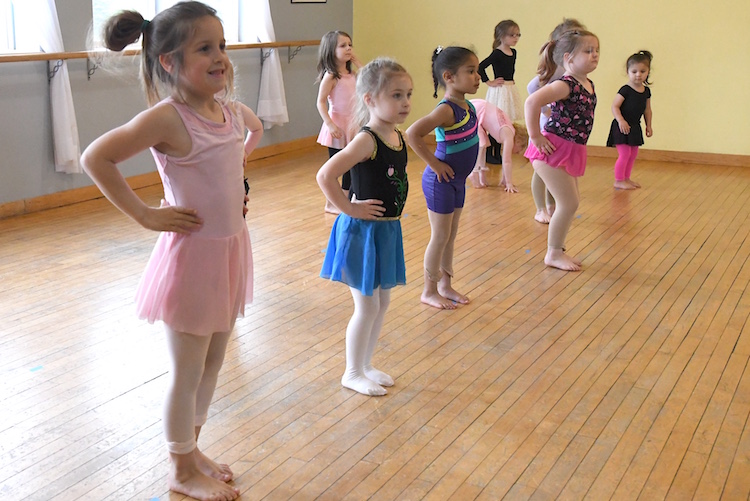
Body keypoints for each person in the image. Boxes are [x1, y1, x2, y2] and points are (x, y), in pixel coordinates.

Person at [81, 3, 263, 500]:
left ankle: (191, 449)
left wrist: (235, 189)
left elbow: (244, 140)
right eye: (205, 48)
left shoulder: (225, 110)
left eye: (222, 46)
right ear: (168, 61)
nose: (220, 57)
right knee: (187, 370)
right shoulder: (166, 117)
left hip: (229, 253)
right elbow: (96, 157)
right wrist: (145, 214)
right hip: (192, 260)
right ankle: (179, 470)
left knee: (212, 364)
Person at [317, 58, 412, 396]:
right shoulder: (366, 140)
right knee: (367, 305)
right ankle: (352, 371)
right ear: (370, 99)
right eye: (396, 95)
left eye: (408, 95)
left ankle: (366, 364)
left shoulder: (396, 135)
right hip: (361, 233)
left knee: (382, 303)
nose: (405, 103)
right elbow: (325, 175)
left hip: (386, 230)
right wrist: (349, 208)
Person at [406, 46, 481, 309]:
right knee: (440, 236)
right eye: (470, 71)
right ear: (449, 76)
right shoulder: (446, 110)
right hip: (440, 182)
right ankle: (428, 290)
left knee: (450, 235)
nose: (477, 76)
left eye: (478, 70)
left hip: (457, 181)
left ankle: (445, 285)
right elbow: (412, 134)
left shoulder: (467, 105)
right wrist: (435, 164)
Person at [524, 29, 599, 272]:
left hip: (570, 148)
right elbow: (532, 101)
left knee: (570, 203)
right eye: (588, 51)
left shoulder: (586, 83)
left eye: (597, 50)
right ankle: (553, 253)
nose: (595, 55)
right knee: (568, 203)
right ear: (568, 58)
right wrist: (535, 135)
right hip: (553, 150)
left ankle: (558, 249)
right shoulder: (565, 85)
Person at [526, 18, 586, 223]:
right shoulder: (557, 70)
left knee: (558, 168)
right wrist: (544, 111)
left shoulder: (575, 73)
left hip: (563, 130)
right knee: (542, 169)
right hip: (546, 128)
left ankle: (553, 205)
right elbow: (532, 89)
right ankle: (540, 208)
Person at [316, 30, 360, 214]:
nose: (348, 48)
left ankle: (347, 200)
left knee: (352, 165)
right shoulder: (331, 76)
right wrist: (330, 124)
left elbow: (371, 80)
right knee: (337, 167)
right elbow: (320, 102)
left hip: (353, 125)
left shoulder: (352, 74)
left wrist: (357, 61)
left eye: (350, 45)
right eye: (343, 46)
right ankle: (331, 203)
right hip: (338, 126)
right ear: (331, 51)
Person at [607, 50, 654, 190]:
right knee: (625, 153)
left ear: (648, 72)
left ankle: (626, 178)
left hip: (634, 126)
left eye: (642, 71)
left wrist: (649, 126)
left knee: (633, 154)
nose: (638, 74)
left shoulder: (646, 91)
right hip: (622, 126)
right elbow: (615, 106)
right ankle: (618, 180)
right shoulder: (625, 90)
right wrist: (621, 120)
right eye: (634, 71)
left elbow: (647, 110)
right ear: (628, 72)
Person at [467, 99, 517, 191]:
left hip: (479, 108)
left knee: (483, 142)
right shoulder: (509, 135)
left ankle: (482, 178)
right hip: (477, 109)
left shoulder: (509, 129)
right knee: (480, 144)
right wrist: (509, 183)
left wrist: (504, 180)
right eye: (519, 149)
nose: (517, 152)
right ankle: (474, 172)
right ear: (519, 141)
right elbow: (507, 161)